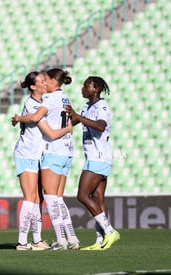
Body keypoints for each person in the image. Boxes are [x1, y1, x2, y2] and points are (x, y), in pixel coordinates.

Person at [12, 68, 80, 250]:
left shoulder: (45, 101)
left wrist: (19, 118)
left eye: (45, 79)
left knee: (38, 198)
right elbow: (41, 123)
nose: (44, 83)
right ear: (33, 86)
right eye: (41, 81)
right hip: (27, 153)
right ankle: (22, 242)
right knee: (32, 198)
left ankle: (37, 240)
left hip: (39, 154)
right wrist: (68, 128)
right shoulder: (36, 103)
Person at [65, 76, 120, 250]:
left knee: (82, 196)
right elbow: (73, 121)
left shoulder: (102, 106)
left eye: (85, 86)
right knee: (98, 198)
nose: (82, 89)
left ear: (95, 89)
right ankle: (100, 241)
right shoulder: (87, 106)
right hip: (95, 157)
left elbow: (100, 126)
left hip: (99, 156)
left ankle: (110, 231)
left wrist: (78, 118)